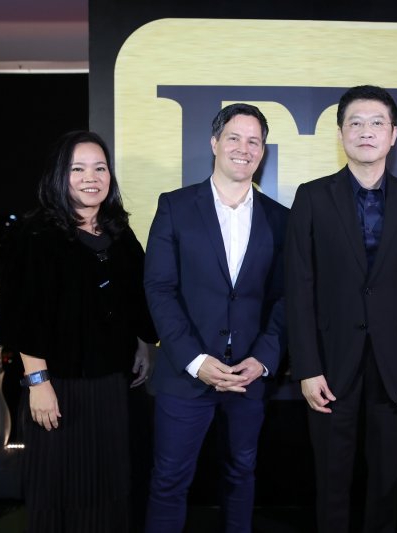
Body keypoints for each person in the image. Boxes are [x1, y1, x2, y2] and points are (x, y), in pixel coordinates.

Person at [285, 85, 397, 533]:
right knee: (330, 478)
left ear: (393, 134)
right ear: (340, 134)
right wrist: (307, 367)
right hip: (330, 362)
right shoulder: (312, 197)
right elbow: (298, 288)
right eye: (355, 123)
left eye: (377, 123)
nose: (366, 131)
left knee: (387, 480)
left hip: (396, 363)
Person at [0, 131, 157, 532]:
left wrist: (142, 342)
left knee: (111, 489)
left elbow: (137, 295)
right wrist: (38, 383)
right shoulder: (36, 234)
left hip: (113, 387)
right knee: (60, 490)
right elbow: (23, 314)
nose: (91, 178)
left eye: (100, 168)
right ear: (59, 176)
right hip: (58, 388)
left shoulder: (119, 232)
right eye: (77, 169)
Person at [143, 103, 288, 532]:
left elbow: (286, 298)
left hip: (248, 378)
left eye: (254, 141)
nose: (244, 148)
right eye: (234, 138)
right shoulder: (175, 206)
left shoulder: (281, 219)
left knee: (241, 475)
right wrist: (195, 360)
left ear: (263, 151)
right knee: (169, 481)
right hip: (185, 376)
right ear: (214, 143)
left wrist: (262, 359)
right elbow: (159, 289)